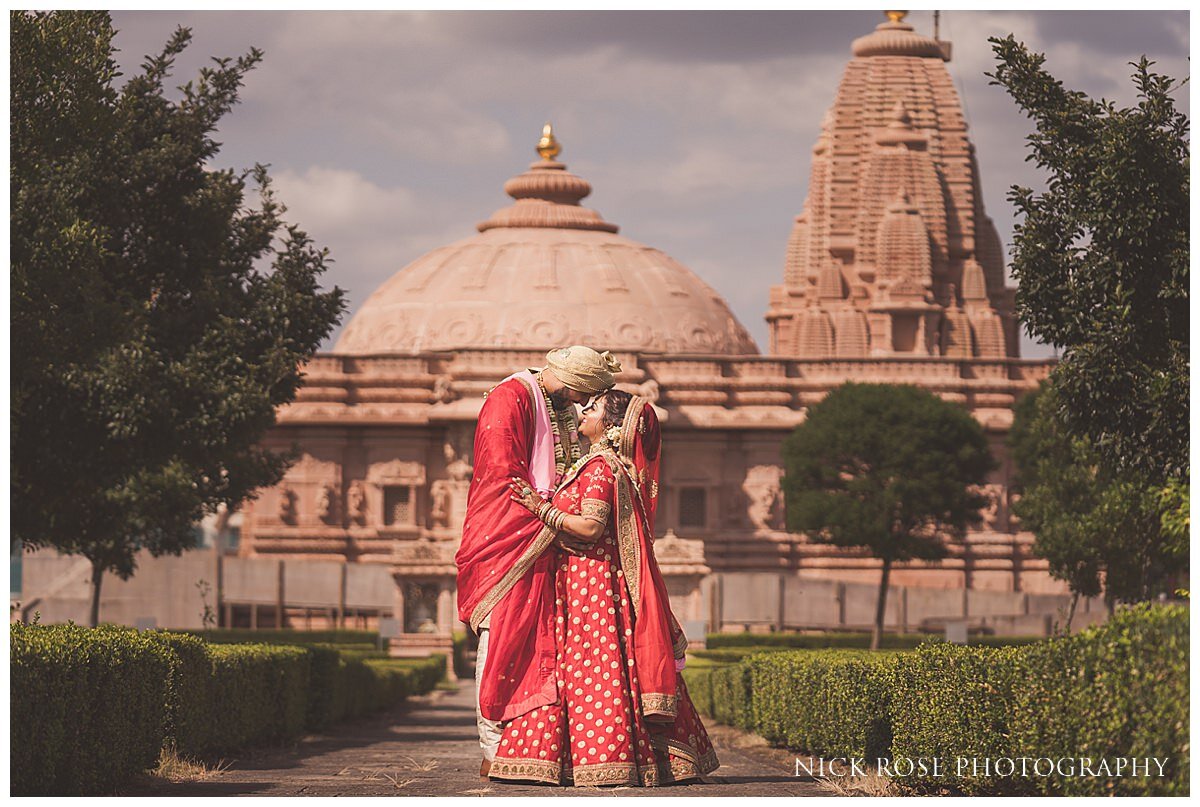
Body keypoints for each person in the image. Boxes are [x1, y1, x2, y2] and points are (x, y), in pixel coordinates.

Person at [488, 390, 719, 787]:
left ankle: (600, 757)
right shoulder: (602, 465)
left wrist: (538, 508)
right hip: (587, 581)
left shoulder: (599, 467)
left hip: (591, 586)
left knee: (593, 664)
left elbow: (592, 528)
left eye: (592, 408)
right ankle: (602, 757)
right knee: (589, 664)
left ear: (611, 426)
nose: (582, 411)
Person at [455, 345, 621, 779]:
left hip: (542, 532)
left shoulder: (553, 402)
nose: (580, 409)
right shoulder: (511, 397)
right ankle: (492, 745)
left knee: (541, 641)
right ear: (570, 385)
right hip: (510, 535)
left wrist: (560, 513)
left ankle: (531, 747)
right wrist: (555, 514)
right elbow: (502, 474)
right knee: (502, 637)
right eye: (580, 397)